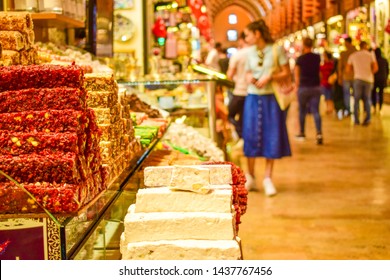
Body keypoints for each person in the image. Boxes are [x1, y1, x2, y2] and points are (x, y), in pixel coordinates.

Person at [242, 20, 292, 196]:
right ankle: (250, 176)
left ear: (257, 33)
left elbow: (287, 72)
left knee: (272, 135)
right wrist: (249, 78)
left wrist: (271, 77)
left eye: (248, 34)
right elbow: (247, 71)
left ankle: (268, 178)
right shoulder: (248, 52)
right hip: (253, 97)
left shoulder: (276, 50)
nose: (245, 38)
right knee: (250, 135)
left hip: (271, 98)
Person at [294, 37, 323, 145]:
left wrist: (296, 86)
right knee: (316, 111)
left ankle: (302, 132)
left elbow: (296, 74)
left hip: (304, 87)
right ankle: (319, 133)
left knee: (302, 111)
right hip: (315, 87)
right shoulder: (317, 57)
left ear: (303, 45)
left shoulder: (300, 59)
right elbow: (319, 72)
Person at [226, 31, 251, 142]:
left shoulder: (238, 55)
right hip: (252, 92)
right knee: (245, 116)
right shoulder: (255, 53)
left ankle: (241, 135)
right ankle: (245, 136)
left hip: (240, 90)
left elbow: (229, 75)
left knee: (229, 114)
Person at [347, 41, 378, 126]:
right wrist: (368, 72)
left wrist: (356, 71)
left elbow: (348, 69)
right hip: (368, 79)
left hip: (358, 78)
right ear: (366, 46)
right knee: (367, 99)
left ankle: (356, 120)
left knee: (356, 99)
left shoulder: (354, 55)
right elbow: (375, 68)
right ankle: (368, 118)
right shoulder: (370, 55)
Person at [337, 37, 356, 117]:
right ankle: (356, 109)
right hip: (355, 76)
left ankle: (348, 110)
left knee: (347, 94)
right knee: (355, 94)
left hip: (346, 76)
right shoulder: (356, 52)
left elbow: (340, 67)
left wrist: (340, 77)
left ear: (348, 43)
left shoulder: (343, 53)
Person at [371, 47, 389, 115]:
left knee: (374, 94)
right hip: (382, 79)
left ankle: (375, 108)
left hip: (374, 79)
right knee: (381, 94)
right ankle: (380, 108)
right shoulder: (384, 60)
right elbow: (387, 71)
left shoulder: (374, 61)